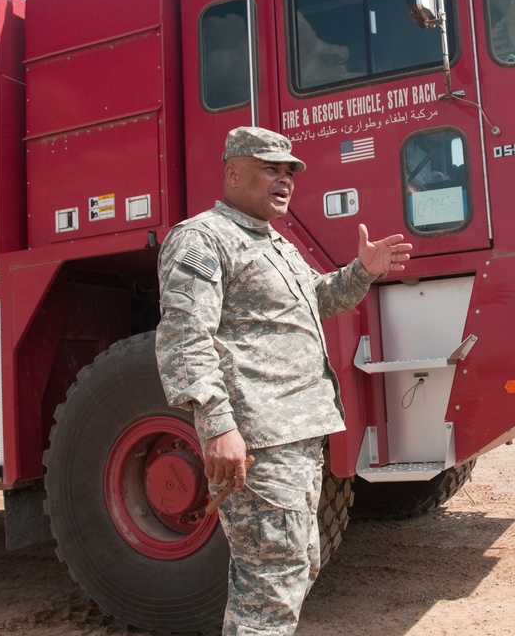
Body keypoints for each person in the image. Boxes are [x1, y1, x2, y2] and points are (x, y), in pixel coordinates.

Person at [155, 126, 412, 635]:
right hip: (258, 441)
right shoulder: (202, 239)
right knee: (271, 583)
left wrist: (360, 272)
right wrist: (216, 424)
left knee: (293, 567)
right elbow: (186, 337)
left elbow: (315, 301)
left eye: (290, 170)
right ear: (232, 171)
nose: (285, 179)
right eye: (270, 167)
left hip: (295, 436)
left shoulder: (275, 243)